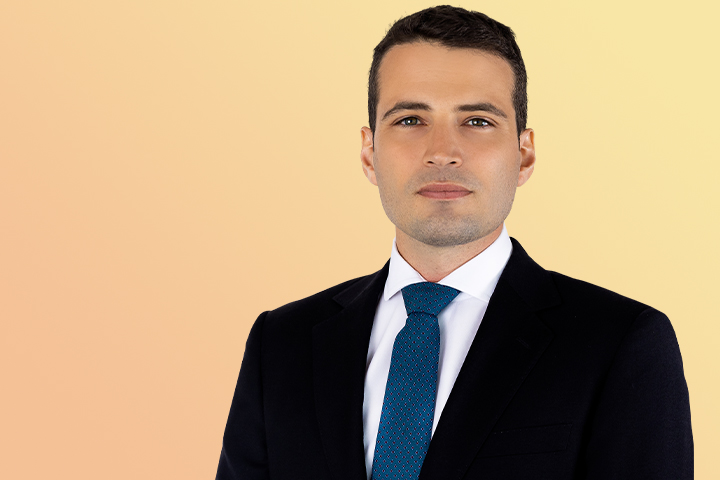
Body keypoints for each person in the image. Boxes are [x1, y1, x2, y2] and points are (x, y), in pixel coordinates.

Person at [216, 6, 693, 479]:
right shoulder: (282, 345)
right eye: (410, 120)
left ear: (524, 154)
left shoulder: (620, 343)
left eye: (477, 121)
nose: (442, 152)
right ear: (369, 152)